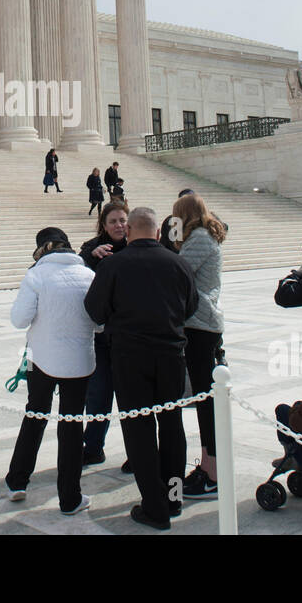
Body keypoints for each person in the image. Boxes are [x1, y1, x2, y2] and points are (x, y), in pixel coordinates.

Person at [84, 207, 198, 530]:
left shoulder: (114, 264)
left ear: (130, 231)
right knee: (172, 425)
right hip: (172, 356)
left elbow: (94, 309)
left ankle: (155, 505)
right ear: (158, 233)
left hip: (130, 358)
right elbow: (191, 306)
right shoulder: (179, 263)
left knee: (140, 429)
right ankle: (173, 497)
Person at [5, 227, 99, 514]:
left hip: (39, 358)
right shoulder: (89, 275)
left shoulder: (36, 275)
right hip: (79, 361)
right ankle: (70, 497)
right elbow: (101, 323)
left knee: (35, 413)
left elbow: (19, 320)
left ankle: (17, 480)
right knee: (71, 426)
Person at [171, 192, 227, 500]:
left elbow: (176, 271)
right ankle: (208, 466)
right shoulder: (202, 236)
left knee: (206, 399)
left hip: (201, 323)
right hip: (200, 323)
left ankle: (213, 474)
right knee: (203, 397)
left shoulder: (202, 239)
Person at [79, 202, 129, 467]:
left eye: (123, 220)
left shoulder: (136, 246)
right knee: (98, 394)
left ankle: (136, 451)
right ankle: (94, 446)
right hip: (100, 336)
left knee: (130, 396)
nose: (119, 225)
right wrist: (91, 255)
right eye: (113, 221)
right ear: (104, 225)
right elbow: (80, 268)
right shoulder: (92, 248)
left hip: (127, 336)